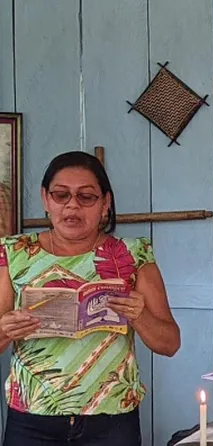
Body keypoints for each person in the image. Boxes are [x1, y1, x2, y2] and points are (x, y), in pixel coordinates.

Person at [0, 151, 181, 445]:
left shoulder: (132, 254)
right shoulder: (14, 252)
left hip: (112, 418)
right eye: (61, 195)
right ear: (45, 199)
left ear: (105, 203)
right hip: (32, 419)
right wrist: (6, 329)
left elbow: (170, 343)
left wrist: (140, 315)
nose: (72, 205)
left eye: (86, 197)